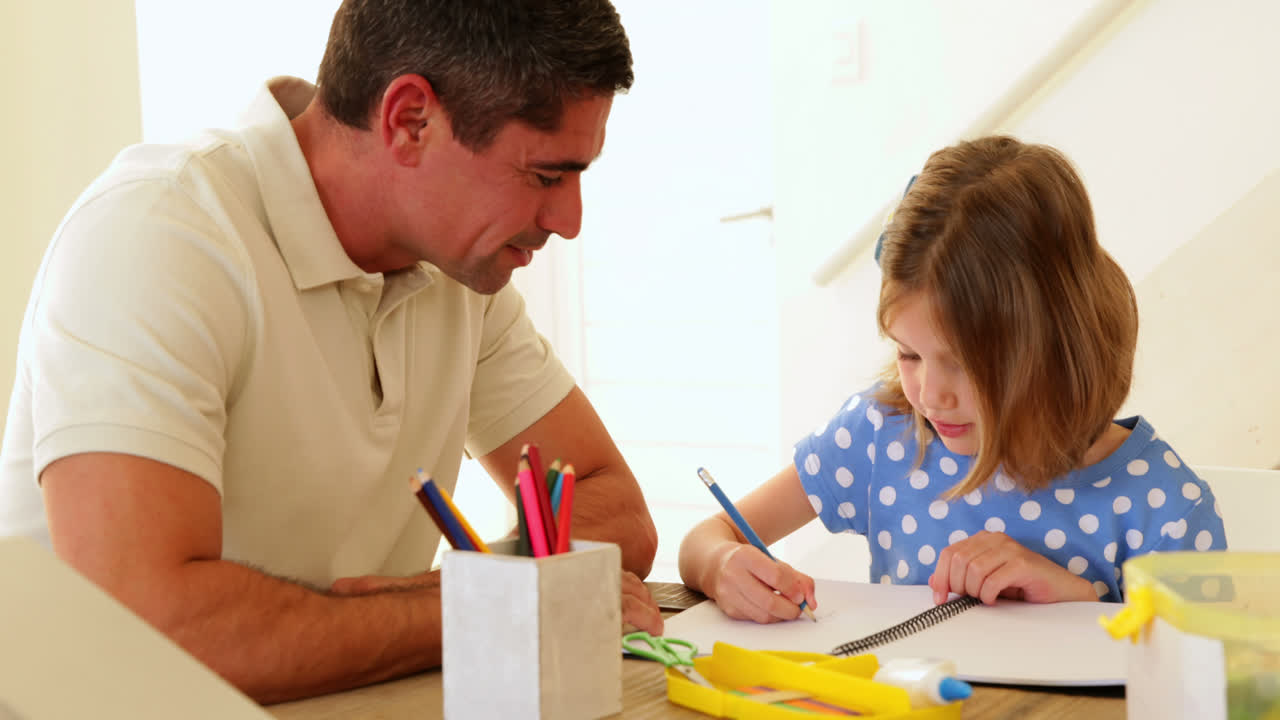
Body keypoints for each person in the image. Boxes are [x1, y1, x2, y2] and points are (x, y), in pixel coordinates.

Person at [0, 0, 663, 703]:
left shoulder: (456, 267)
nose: (569, 221)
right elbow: (144, 626)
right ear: (410, 119)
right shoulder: (158, 233)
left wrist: (443, 600)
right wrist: (478, 603)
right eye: (546, 176)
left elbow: (611, 507)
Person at [678, 135, 1227, 624]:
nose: (930, 395)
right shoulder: (882, 434)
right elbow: (705, 539)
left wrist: (1082, 605)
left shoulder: (1166, 507)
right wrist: (724, 565)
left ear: (1055, 343)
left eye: (964, 362)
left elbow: (1209, 687)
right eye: (909, 354)